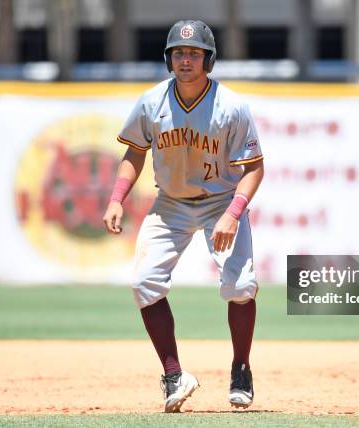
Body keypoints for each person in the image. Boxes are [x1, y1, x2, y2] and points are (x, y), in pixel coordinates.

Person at [103, 19, 264, 413]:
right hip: (170, 203)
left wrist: (233, 213)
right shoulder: (151, 101)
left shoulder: (231, 106)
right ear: (169, 60)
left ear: (208, 59)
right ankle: (174, 374)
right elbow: (135, 152)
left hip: (220, 200)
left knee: (241, 286)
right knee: (143, 282)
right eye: (178, 53)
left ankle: (240, 368)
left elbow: (255, 167)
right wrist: (116, 198)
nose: (185, 59)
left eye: (193, 53)